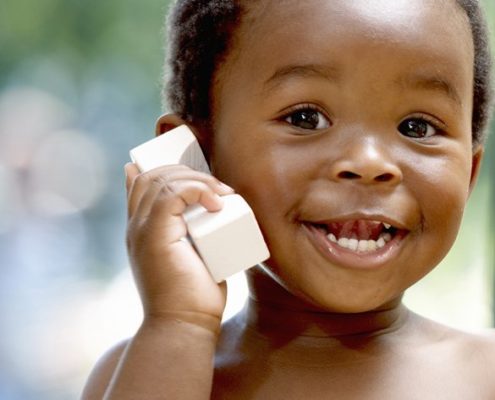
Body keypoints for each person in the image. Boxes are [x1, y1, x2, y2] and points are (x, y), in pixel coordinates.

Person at [81, 0, 494, 398]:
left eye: (417, 127)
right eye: (305, 118)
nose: (369, 163)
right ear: (197, 158)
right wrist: (178, 323)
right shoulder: (141, 374)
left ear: (470, 172)